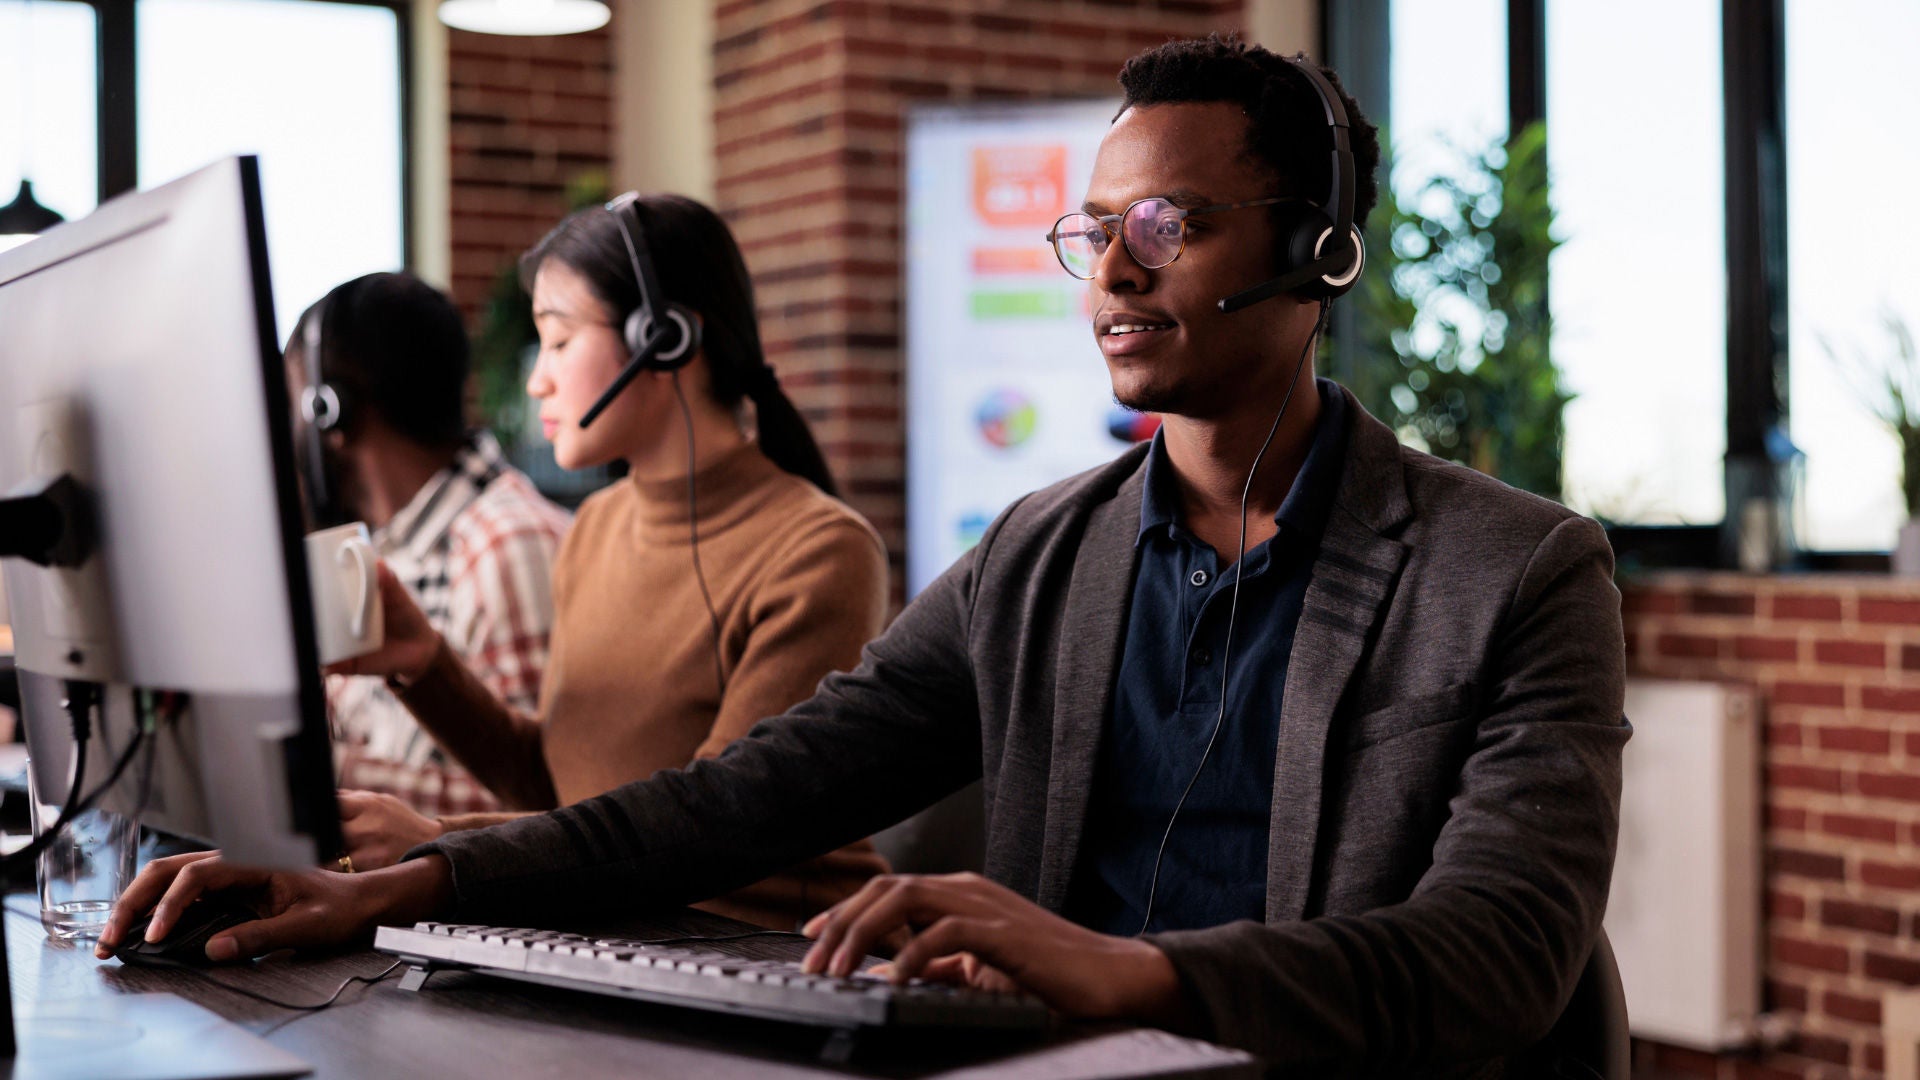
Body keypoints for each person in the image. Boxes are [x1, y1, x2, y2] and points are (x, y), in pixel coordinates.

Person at [102, 38, 1627, 1075]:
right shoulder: (1042, 560)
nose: (1111, 269)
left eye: (1166, 222)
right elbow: (734, 799)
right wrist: (401, 888)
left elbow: (1492, 961)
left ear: (1319, 255)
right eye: (1090, 230)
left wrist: (1129, 973)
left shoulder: (1517, 574)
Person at [305, 195, 893, 930]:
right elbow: (561, 782)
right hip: (619, 937)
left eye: (557, 339)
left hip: (772, 954)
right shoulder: (598, 528)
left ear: (665, 338)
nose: (535, 380)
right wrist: (425, 665)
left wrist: (437, 845)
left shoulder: (819, 551)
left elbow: (717, 833)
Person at [286, 272, 571, 818]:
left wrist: (321, 775)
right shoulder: (392, 548)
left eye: (290, 404)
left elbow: (547, 813)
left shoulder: (505, 546)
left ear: (332, 411)